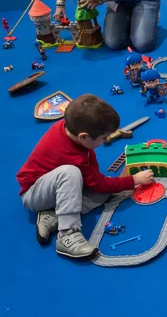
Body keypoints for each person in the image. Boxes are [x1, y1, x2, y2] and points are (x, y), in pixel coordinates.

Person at [16, 94, 155, 258]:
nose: (105, 141)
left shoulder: (70, 130)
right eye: (103, 138)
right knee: (72, 173)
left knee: (104, 192)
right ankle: (67, 233)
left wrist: (105, 183)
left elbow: (94, 177)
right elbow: (96, 182)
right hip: (34, 194)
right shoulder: (73, 157)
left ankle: (53, 214)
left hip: (54, 188)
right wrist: (134, 180)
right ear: (83, 137)